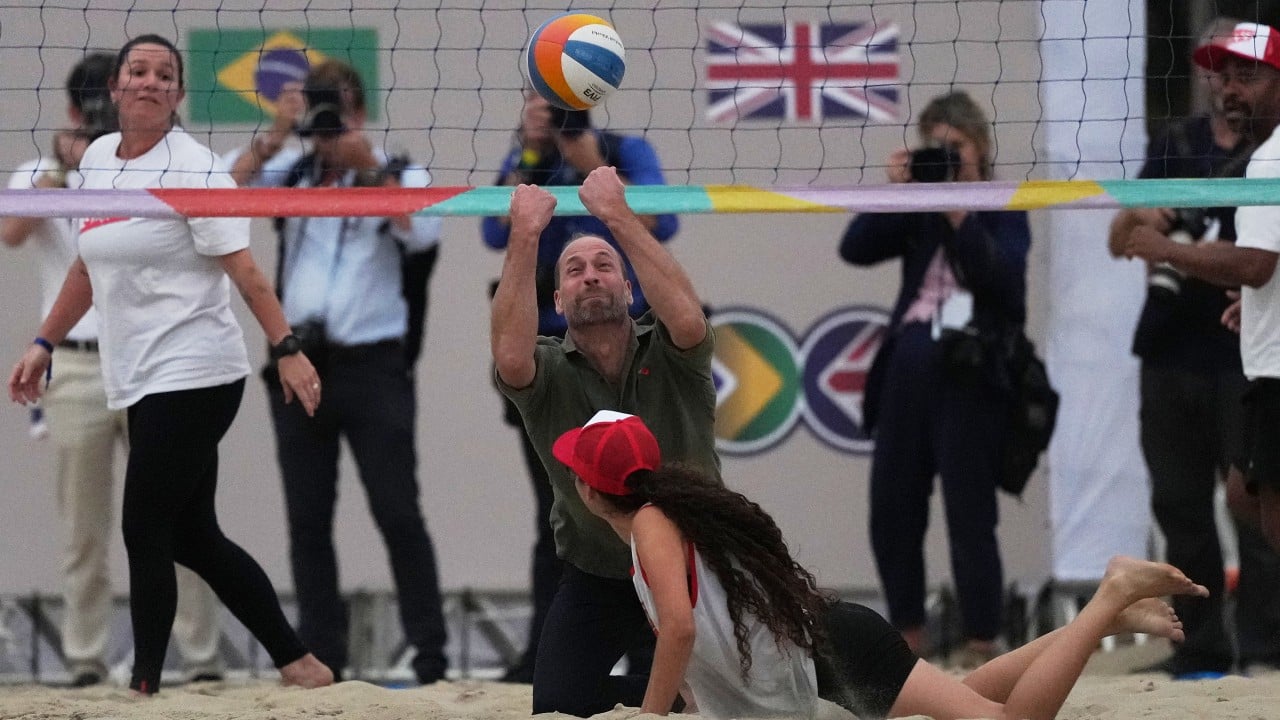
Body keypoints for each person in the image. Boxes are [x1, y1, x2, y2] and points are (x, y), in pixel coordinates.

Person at [6, 34, 332, 694]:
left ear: (178, 93)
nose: (150, 81)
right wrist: (43, 342)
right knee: (193, 536)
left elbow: (245, 270)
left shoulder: (196, 167)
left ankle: (145, 682)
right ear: (117, 88)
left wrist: (287, 348)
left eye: (164, 74)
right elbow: (84, 267)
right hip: (137, 372)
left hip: (197, 369)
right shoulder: (99, 159)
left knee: (143, 525)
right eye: (138, 71)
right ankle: (300, 662)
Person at [555, 410, 1207, 720]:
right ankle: (1105, 620)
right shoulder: (662, 518)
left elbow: (679, 629)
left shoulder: (650, 524)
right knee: (974, 694)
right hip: (827, 650)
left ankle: (1107, 596)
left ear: (588, 490)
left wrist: (651, 717)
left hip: (834, 655)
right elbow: (704, 644)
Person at [1, 51, 233, 688]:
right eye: (92, 107)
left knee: (178, 520)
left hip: (158, 364)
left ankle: (203, 657)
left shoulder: (162, 162)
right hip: (79, 367)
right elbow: (13, 232)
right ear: (76, 110)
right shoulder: (47, 171)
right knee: (84, 526)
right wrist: (64, 168)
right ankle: (85, 657)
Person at [227, 58, 448, 684]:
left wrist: (368, 167)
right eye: (319, 104)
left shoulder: (400, 173)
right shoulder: (291, 172)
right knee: (307, 520)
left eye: (339, 105)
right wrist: (276, 134)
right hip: (300, 362)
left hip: (373, 366)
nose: (330, 119)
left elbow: (422, 235)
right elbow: (220, 195)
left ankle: (431, 655)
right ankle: (322, 651)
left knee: (398, 512)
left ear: (361, 111)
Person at [490, 166, 714, 716]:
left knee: (738, 693)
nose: (590, 276)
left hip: (694, 565)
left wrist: (617, 214)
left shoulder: (671, 350)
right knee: (557, 705)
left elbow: (688, 317)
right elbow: (510, 357)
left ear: (630, 289)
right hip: (599, 572)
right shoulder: (548, 370)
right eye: (574, 270)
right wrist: (525, 235)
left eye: (604, 266)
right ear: (558, 301)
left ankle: (689, 695)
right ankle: (677, 698)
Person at [480, 89, 678, 683]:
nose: (553, 114)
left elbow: (665, 221)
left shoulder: (624, 152)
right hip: (551, 355)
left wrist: (593, 164)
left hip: (630, 347)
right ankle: (545, 648)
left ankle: (653, 651)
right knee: (559, 506)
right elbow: (493, 231)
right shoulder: (530, 158)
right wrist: (530, 154)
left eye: (560, 102)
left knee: (648, 499)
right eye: (541, 102)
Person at [1106, 18, 1280, 678]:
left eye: (1245, 74)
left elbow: (1256, 263)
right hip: (1180, 352)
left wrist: (1173, 250)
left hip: (1245, 363)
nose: (1228, 86)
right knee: (1207, 503)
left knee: (1256, 505)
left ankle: (1263, 651)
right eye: (1220, 72)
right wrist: (1139, 221)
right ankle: (1202, 651)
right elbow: (1121, 239)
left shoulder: (1269, 157)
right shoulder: (1178, 146)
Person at [838, 91, 1031, 667]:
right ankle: (907, 639)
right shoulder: (918, 201)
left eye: (955, 147)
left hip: (971, 370)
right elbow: (855, 248)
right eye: (935, 147)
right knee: (892, 506)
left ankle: (981, 641)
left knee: (970, 512)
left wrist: (958, 211)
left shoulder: (1003, 204)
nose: (944, 157)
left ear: (981, 148)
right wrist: (898, 193)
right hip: (908, 362)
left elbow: (1006, 285)